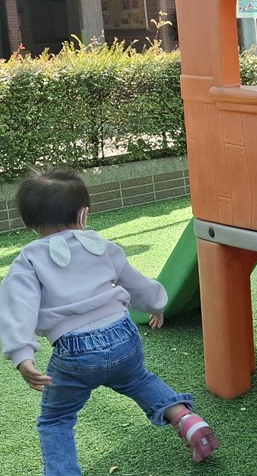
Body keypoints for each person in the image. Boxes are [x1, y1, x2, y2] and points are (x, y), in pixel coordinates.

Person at [0, 169, 219, 476]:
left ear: (27, 222)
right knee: (138, 380)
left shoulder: (28, 261)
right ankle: (185, 418)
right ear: (84, 214)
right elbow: (136, 282)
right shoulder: (101, 246)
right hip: (122, 334)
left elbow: (16, 308)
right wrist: (155, 305)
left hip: (75, 351)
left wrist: (22, 354)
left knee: (56, 420)